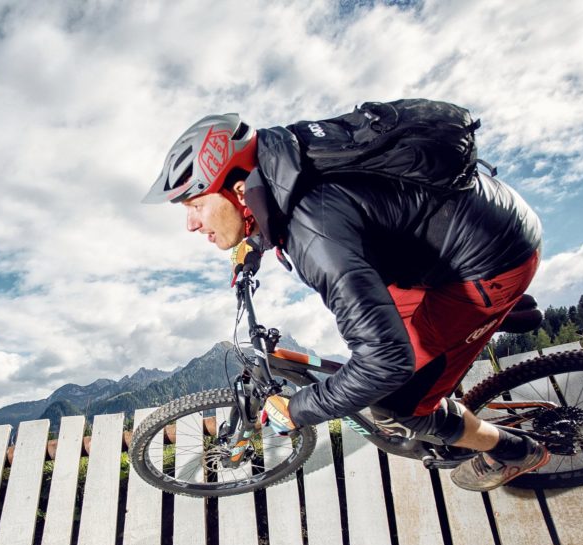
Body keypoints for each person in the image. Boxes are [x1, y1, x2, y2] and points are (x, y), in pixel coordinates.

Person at [143, 111, 549, 491]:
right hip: (464, 228)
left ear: (237, 191)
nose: (191, 224)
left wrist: (299, 409)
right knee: (394, 332)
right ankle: (468, 335)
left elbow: (386, 361)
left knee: (397, 404)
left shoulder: (315, 235)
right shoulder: (282, 164)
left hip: (491, 259)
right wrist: (252, 243)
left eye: (196, 205)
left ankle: (511, 449)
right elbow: (285, 208)